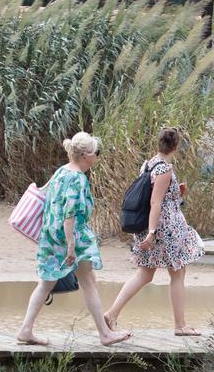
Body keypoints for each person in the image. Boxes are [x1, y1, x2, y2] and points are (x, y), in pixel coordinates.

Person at [15, 132, 131, 346]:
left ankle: (26, 329)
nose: (98, 156)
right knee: (88, 282)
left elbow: (47, 196)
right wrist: (71, 246)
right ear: (86, 155)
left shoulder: (61, 171)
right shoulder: (78, 179)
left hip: (49, 234)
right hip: (71, 238)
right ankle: (105, 334)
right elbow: (69, 214)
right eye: (97, 152)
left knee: (47, 283)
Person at [104, 127, 205, 336]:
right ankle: (180, 326)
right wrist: (151, 232)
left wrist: (177, 191)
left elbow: (156, 194)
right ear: (175, 146)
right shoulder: (165, 169)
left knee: (145, 274)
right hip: (164, 228)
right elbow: (155, 202)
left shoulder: (148, 164)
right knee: (178, 273)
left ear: (159, 144)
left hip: (153, 226)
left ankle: (112, 314)